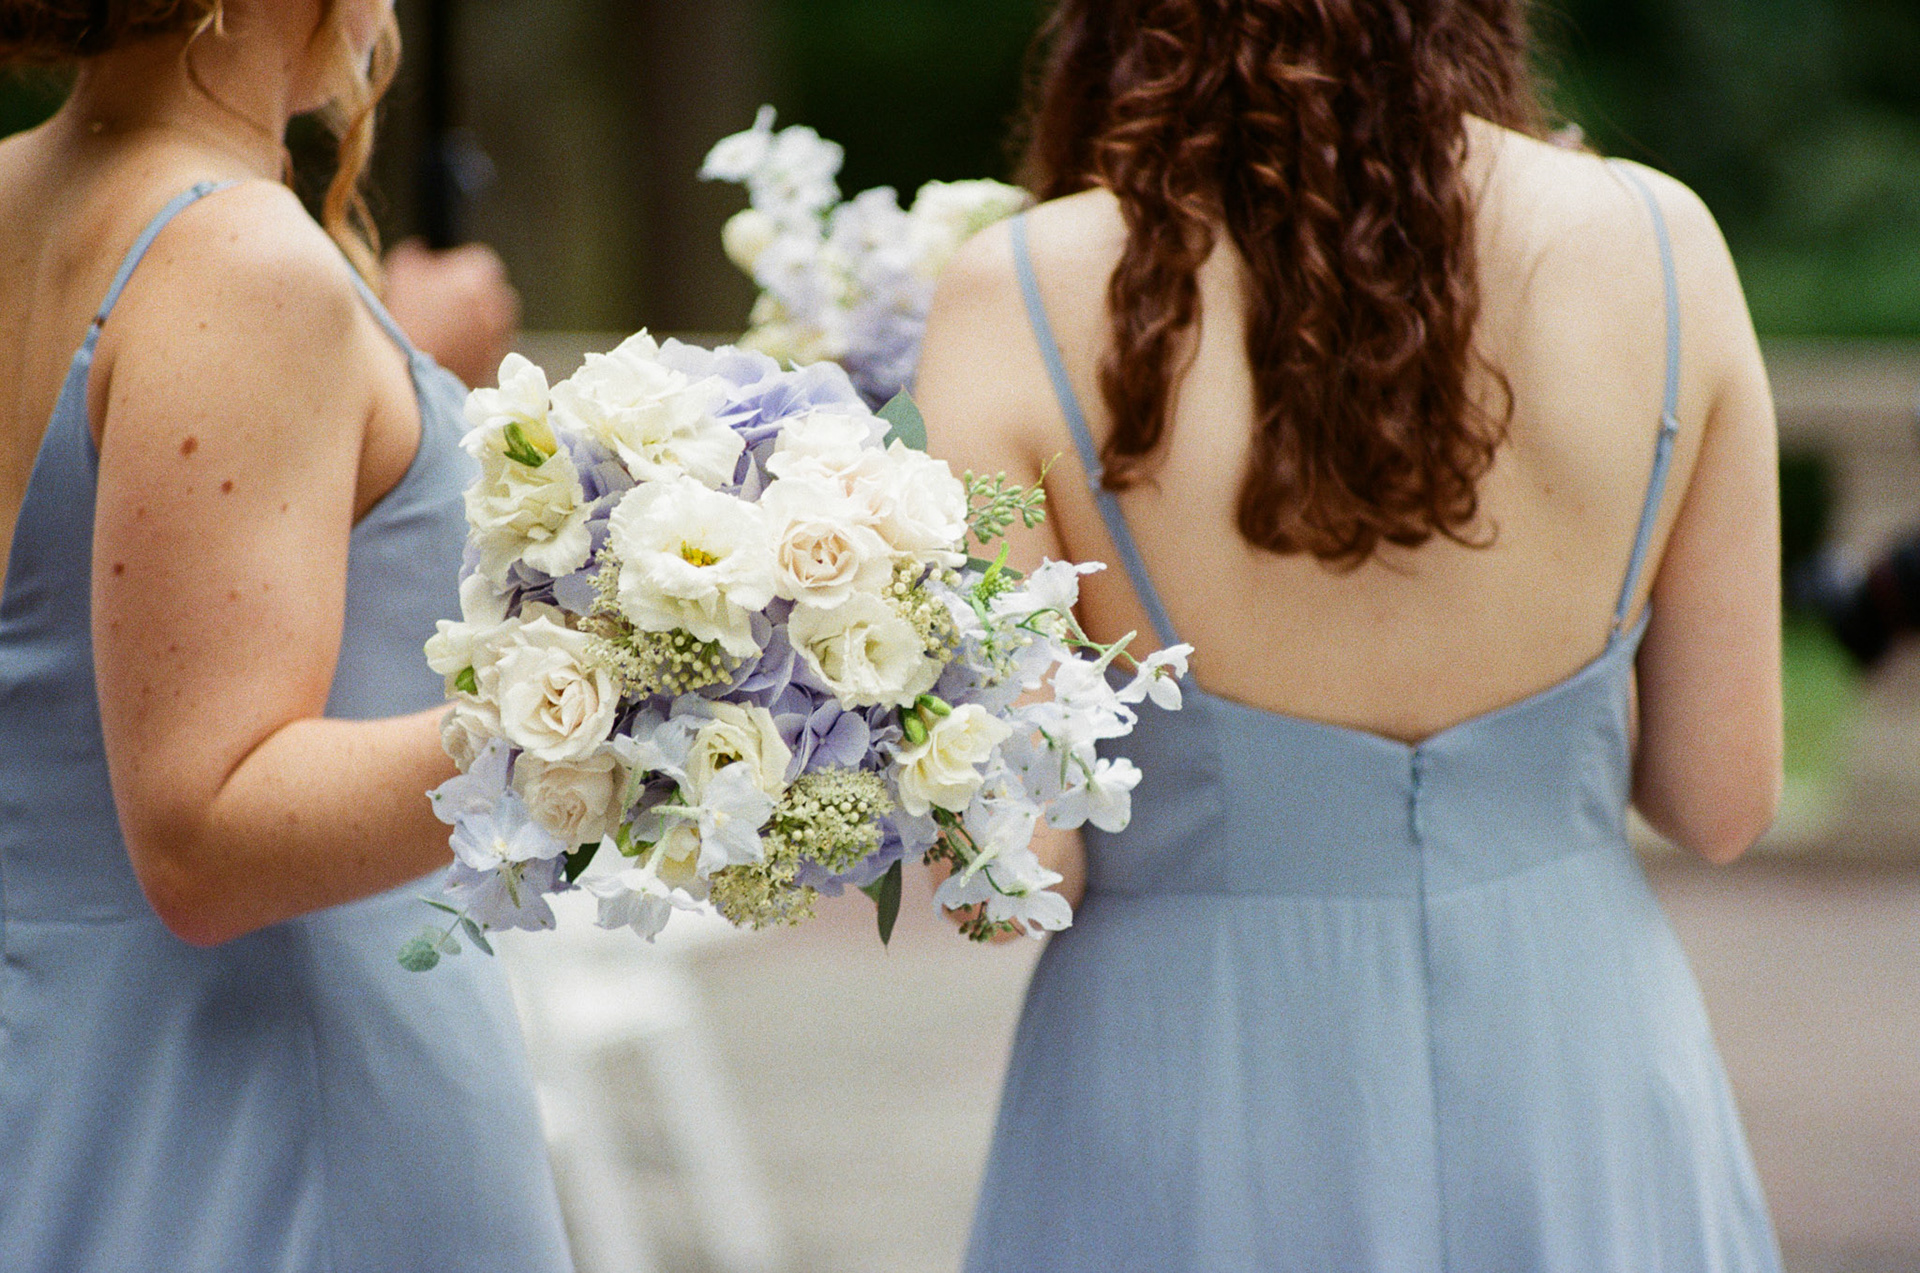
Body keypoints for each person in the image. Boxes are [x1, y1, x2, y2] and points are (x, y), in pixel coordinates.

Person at [915, 0, 1785, 1268]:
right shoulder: (1662, 240)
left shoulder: (1018, 293)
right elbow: (1720, 800)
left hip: (1192, 1098)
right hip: (1576, 1077)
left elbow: (1012, 878)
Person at [0, 2, 571, 1269]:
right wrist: (621, 706)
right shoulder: (242, 262)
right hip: (273, 1105)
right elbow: (205, 834)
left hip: (56, 1062)